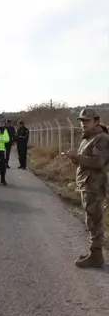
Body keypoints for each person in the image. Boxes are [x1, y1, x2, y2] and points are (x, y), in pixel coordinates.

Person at [62, 107, 109, 268]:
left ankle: (96, 256)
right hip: (87, 184)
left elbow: (98, 162)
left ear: (96, 121)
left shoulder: (101, 139)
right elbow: (85, 161)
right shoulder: (87, 138)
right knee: (90, 219)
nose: (83, 124)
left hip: (95, 186)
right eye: (81, 121)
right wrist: (74, 158)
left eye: (87, 121)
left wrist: (78, 157)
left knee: (94, 221)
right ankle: (94, 253)